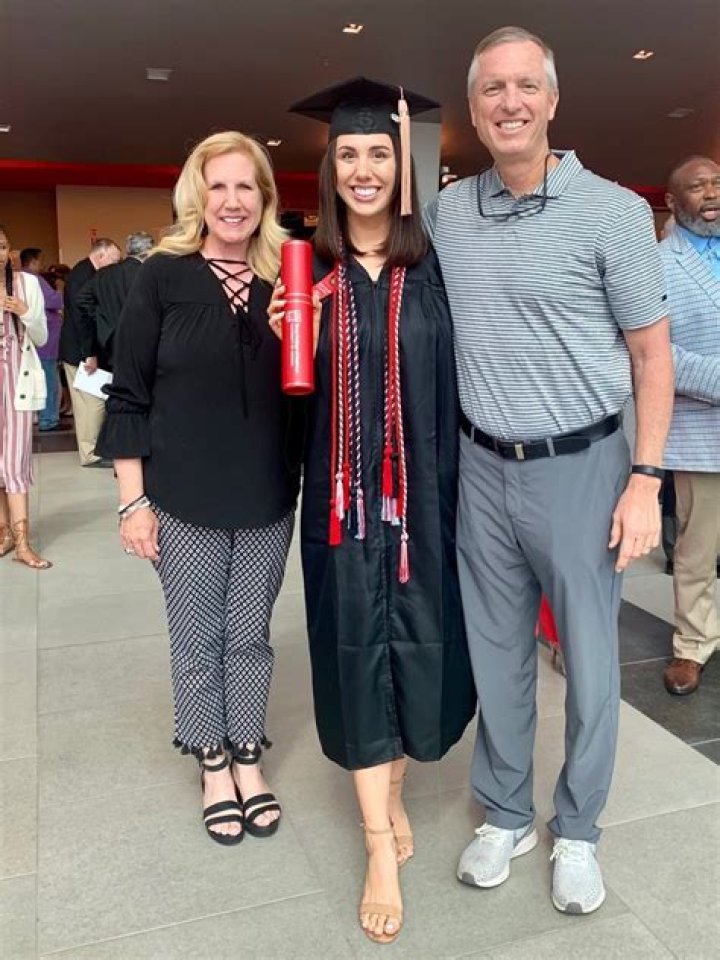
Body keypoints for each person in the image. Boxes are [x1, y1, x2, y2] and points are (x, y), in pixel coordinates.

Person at [426, 27, 674, 915]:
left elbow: (651, 356)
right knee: (497, 655)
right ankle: (506, 813)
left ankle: (578, 829)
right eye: (492, 88)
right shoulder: (449, 213)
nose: (510, 103)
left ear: (554, 100)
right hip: (481, 465)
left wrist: (645, 479)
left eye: (526, 86)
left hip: (583, 465)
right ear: (473, 107)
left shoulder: (612, 211)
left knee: (591, 662)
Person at [270, 77, 476, 944]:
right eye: (347, 154)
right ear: (329, 171)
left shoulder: (436, 270)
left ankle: (393, 794)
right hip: (343, 512)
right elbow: (285, 403)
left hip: (425, 505)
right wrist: (279, 338)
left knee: (419, 652)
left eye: (378, 154)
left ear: (402, 168)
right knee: (356, 655)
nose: (363, 169)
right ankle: (377, 847)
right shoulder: (305, 277)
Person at [96, 132, 300, 847]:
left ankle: (248, 753)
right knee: (196, 635)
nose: (232, 201)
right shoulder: (162, 276)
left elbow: (308, 394)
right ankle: (211, 760)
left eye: (247, 187)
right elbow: (129, 393)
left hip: (267, 490)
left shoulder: (289, 278)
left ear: (265, 199)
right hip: (181, 493)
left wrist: (300, 337)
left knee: (249, 635)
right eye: (219, 186)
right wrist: (132, 501)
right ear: (197, 196)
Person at [660, 156, 720, 695]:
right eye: (698, 187)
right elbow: (656, 352)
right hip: (702, 432)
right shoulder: (659, 263)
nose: (712, 193)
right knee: (698, 550)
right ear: (674, 203)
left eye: (718, 182)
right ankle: (693, 643)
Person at [0, 225, 51, 568]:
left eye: (3, 246)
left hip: (16, 379)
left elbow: (42, 336)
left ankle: (22, 543)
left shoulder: (26, 284)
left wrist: (24, 311)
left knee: (15, 460)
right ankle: (4, 533)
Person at [59, 237, 121, 466]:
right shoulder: (82, 276)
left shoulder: (86, 272)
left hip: (83, 350)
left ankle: (94, 449)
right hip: (79, 352)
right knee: (89, 404)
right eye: (114, 260)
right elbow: (82, 320)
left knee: (92, 403)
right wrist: (89, 354)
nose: (116, 265)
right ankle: (90, 453)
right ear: (101, 255)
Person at [76, 231, 155, 371]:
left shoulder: (105, 273)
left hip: (111, 343)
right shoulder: (147, 274)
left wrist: (102, 318)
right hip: (142, 342)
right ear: (148, 253)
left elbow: (82, 298)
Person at [20, 247, 64, 431]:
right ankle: (49, 419)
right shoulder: (34, 280)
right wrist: (60, 289)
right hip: (45, 342)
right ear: (33, 262)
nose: (44, 264)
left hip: (34, 341)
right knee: (48, 381)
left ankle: (43, 418)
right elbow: (54, 301)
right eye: (41, 260)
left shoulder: (19, 279)